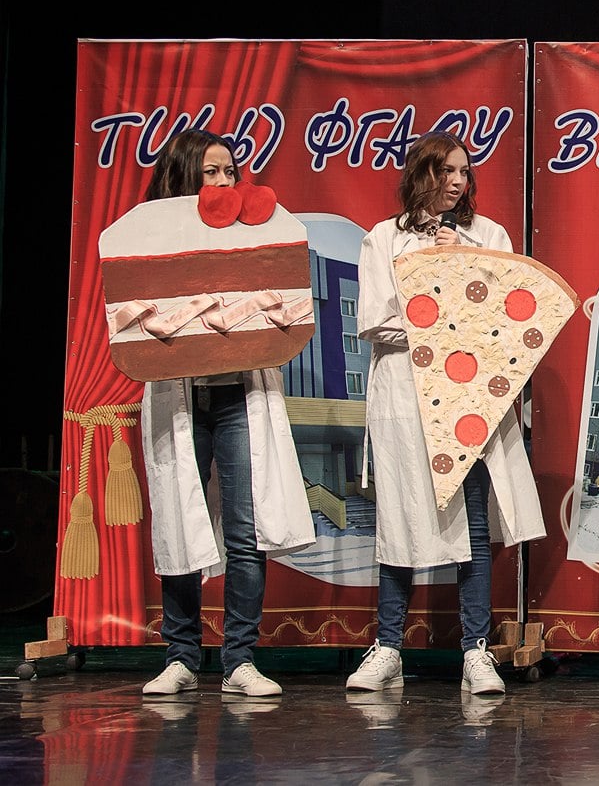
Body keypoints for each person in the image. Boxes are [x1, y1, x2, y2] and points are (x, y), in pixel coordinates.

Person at [346, 130, 546, 695]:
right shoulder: (384, 239)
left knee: (472, 523)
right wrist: (438, 310)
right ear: (422, 174)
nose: (458, 182)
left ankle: (475, 651)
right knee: (400, 519)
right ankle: (388, 647)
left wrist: (458, 277)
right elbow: (375, 320)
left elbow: (504, 317)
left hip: (467, 398)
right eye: (447, 171)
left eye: (465, 172)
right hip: (404, 396)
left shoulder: (488, 236)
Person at [139, 129, 316, 697]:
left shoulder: (252, 235)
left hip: (240, 392)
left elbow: (281, 299)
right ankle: (181, 657)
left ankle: (239, 659)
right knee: (180, 522)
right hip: (179, 395)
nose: (223, 182)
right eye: (210, 172)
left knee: (244, 530)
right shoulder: (150, 235)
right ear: (184, 177)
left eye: (230, 171)